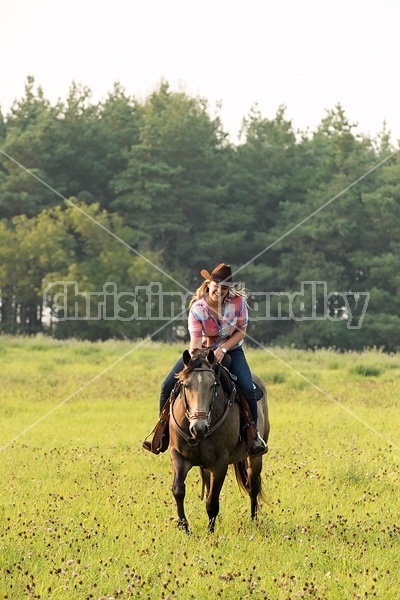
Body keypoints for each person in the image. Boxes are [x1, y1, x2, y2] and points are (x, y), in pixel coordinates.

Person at [143, 262, 267, 456]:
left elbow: (241, 330)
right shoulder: (198, 308)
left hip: (232, 350)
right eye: (217, 286)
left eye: (225, 288)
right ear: (209, 284)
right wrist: (196, 354)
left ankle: (253, 436)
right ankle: (162, 433)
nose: (220, 291)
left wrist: (223, 350)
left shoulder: (238, 304)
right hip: (202, 351)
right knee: (167, 386)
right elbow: (196, 340)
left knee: (247, 388)